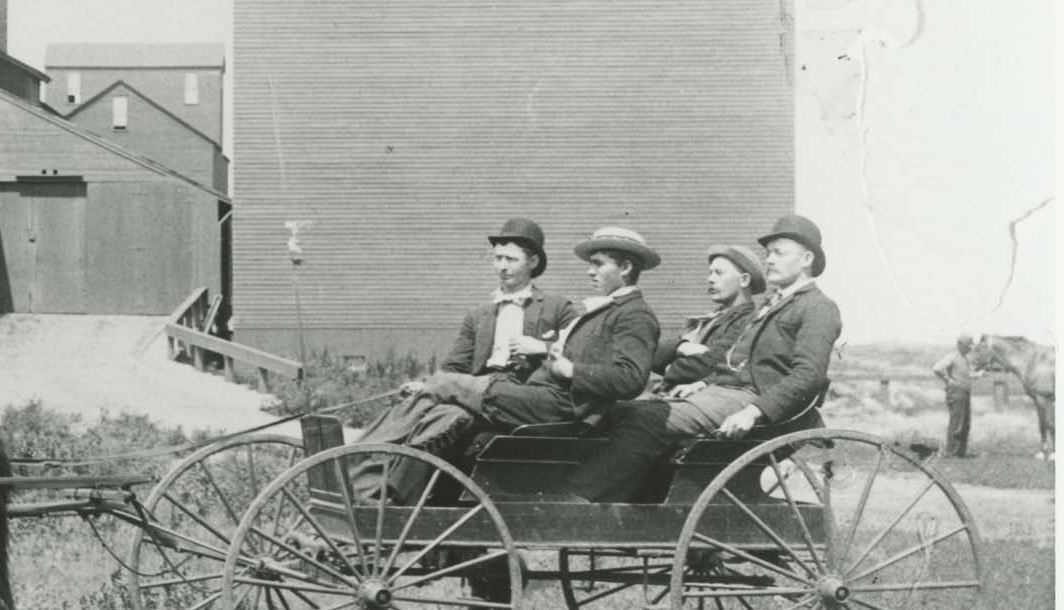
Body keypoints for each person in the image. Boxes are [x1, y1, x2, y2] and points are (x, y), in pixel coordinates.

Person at [357, 225, 661, 504]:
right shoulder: (605, 310)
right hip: (538, 397)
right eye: (590, 264)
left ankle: (357, 462)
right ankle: (382, 487)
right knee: (443, 409)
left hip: (558, 406)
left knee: (444, 384)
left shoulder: (633, 314)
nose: (589, 272)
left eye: (597, 264)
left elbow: (631, 378)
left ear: (625, 267)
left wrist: (567, 368)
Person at [570, 216, 842, 504]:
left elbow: (808, 376)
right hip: (728, 393)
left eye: (779, 253)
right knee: (625, 409)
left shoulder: (818, 308)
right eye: (768, 253)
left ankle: (580, 497)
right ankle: (636, 503)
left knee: (645, 418)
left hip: (754, 400)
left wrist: (753, 412)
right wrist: (703, 382)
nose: (769, 260)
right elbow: (740, 360)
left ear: (806, 259)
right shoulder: (775, 304)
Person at [343, 217, 577, 503]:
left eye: (511, 259)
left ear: (532, 262)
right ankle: (367, 475)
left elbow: (575, 354)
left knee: (446, 408)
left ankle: (378, 487)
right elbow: (455, 367)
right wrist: (426, 384)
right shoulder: (479, 314)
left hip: (518, 396)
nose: (501, 267)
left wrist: (540, 345)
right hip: (473, 390)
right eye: (497, 259)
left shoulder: (557, 307)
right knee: (438, 412)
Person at [651, 244, 765, 393]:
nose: (710, 279)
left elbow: (712, 364)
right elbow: (656, 350)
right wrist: (681, 346)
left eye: (719, 273)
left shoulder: (749, 321)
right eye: (710, 273)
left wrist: (669, 366)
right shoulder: (710, 319)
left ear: (744, 280)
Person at [931, 334, 979, 458]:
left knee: (965, 423)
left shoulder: (965, 358)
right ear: (960, 345)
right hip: (956, 392)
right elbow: (936, 368)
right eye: (968, 346)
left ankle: (960, 452)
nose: (969, 349)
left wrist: (978, 374)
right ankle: (951, 453)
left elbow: (967, 374)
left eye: (970, 347)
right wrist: (948, 380)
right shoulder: (952, 356)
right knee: (956, 423)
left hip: (964, 391)